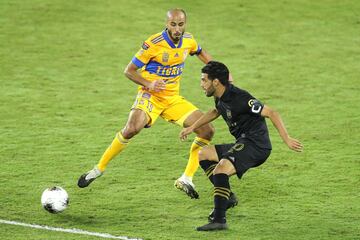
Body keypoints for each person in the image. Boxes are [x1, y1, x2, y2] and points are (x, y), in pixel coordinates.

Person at [77, 9, 232, 200]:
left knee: (206, 130)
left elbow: (200, 52)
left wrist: (223, 73)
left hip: (172, 99)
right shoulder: (153, 44)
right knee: (132, 129)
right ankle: (98, 169)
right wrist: (149, 84)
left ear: (185, 24)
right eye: (173, 24)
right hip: (150, 96)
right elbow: (129, 70)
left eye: (181, 25)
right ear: (166, 24)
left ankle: (186, 178)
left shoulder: (188, 40)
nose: (177, 29)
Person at [179, 61, 303, 231]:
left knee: (221, 169)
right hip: (243, 142)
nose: (201, 84)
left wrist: (287, 139)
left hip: (256, 145)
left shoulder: (241, 98)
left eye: (204, 80)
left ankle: (219, 219)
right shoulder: (219, 95)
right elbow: (216, 111)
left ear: (215, 82)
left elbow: (271, 112)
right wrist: (192, 127)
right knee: (203, 154)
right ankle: (227, 197)